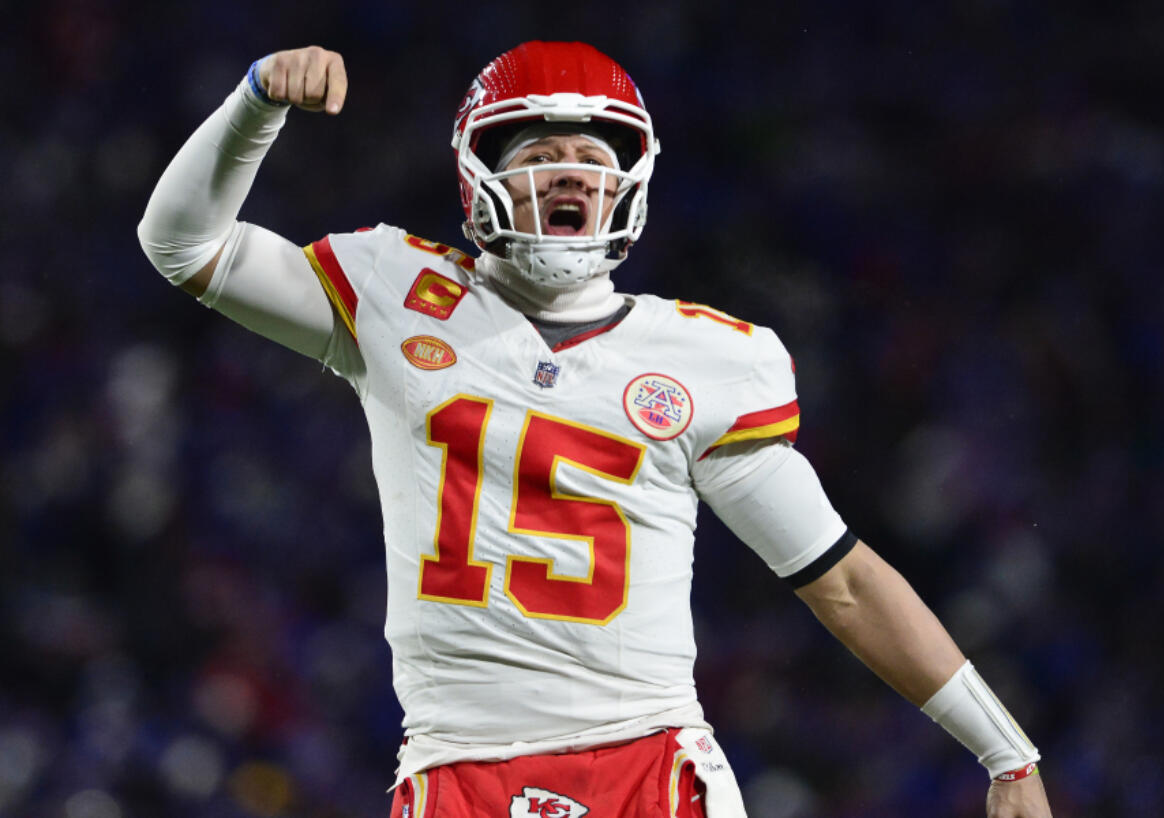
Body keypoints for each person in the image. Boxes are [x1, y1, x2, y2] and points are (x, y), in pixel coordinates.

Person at [138, 42, 1054, 818]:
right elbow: (181, 242)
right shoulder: (392, 291)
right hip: (455, 764)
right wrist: (256, 101)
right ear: (481, 171)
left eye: (592, 151)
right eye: (539, 149)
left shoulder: (704, 359)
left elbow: (840, 578)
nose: (572, 168)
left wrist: (1005, 752)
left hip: (646, 760)